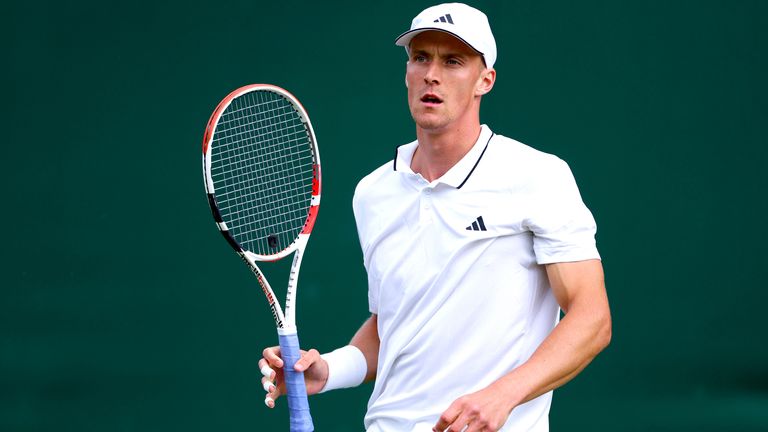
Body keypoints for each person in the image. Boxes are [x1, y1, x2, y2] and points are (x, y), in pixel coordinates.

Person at [259, 3, 612, 431]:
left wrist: (504, 395)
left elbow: (591, 318)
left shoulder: (537, 176)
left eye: (453, 61)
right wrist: (330, 370)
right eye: (421, 57)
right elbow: (394, 326)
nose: (432, 74)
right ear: (407, 70)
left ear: (485, 80)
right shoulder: (373, 193)